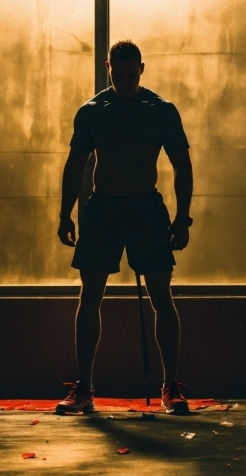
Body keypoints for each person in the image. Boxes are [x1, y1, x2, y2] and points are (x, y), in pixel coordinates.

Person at [56, 39, 193, 414]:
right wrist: (65, 213)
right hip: (103, 208)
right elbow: (76, 165)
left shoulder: (161, 110)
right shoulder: (93, 111)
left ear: (142, 70)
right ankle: (84, 387)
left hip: (145, 207)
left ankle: (171, 386)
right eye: (119, 76)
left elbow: (182, 165)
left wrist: (183, 219)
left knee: (161, 296)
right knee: (90, 297)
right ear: (108, 68)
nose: (126, 82)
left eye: (132, 75)